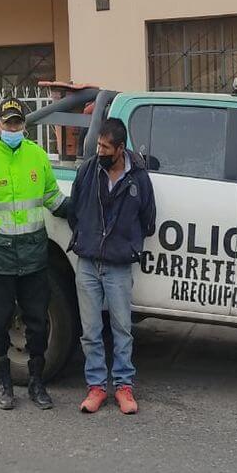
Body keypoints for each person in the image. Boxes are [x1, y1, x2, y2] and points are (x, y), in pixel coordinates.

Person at [0, 97, 68, 410]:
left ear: (24, 125)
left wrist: (81, 211)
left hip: (34, 256)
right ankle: (5, 385)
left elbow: (53, 199)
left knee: (37, 324)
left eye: (17, 122)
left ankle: (36, 384)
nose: (13, 127)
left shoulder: (37, 157)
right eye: (7, 122)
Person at [67, 118, 156, 414]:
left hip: (118, 266)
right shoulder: (88, 171)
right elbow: (74, 211)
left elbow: (148, 220)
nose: (99, 151)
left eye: (105, 147)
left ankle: (123, 387)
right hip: (88, 263)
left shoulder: (139, 178)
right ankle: (95, 387)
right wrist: (86, 238)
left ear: (120, 148)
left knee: (122, 329)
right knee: (91, 330)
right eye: (98, 145)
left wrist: (127, 245)